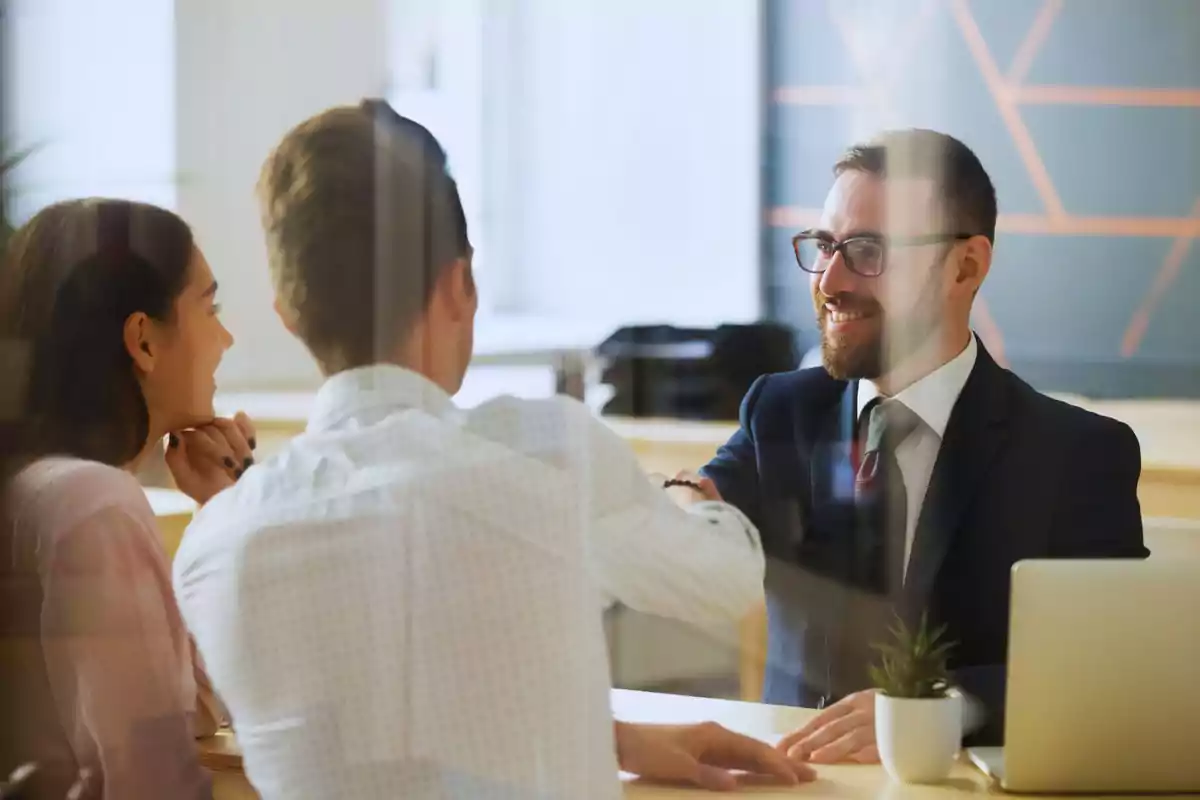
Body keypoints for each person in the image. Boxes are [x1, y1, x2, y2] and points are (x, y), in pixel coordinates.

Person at [172, 100, 814, 799]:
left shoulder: (214, 547)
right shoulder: (547, 455)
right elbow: (727, 582)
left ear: (289, 316)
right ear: (459, 284)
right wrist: (688, 497)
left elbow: (380, 729)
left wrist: (617, 740)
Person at [701, 129, 1147, 761]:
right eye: (825, 246)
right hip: (791, 780)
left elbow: (1110, 663)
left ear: (965, 266)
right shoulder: (779, 410)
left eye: (866, 250)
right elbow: (706, 506)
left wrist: (939, 706)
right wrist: (680, 500)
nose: (830, 279)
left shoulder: (1076, 454)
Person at [0, 199, 256, 798]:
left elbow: (191, 710)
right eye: (209, 307)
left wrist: (218, 515)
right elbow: (151, 778)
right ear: (142, 339)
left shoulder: (42, 487)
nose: (226, 337)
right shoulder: (96, 504)